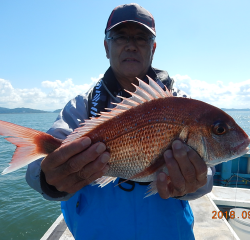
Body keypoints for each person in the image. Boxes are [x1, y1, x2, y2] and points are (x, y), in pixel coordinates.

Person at [26, 3, 214, 240]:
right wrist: (48, 179)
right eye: (120, 37)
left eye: (142, 38)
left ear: (153, 48)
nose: (131, 45)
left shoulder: (181, 106)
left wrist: (196, 181)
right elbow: (36, 169)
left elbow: (208, 171)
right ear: (106, 46)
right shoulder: (80, 107)